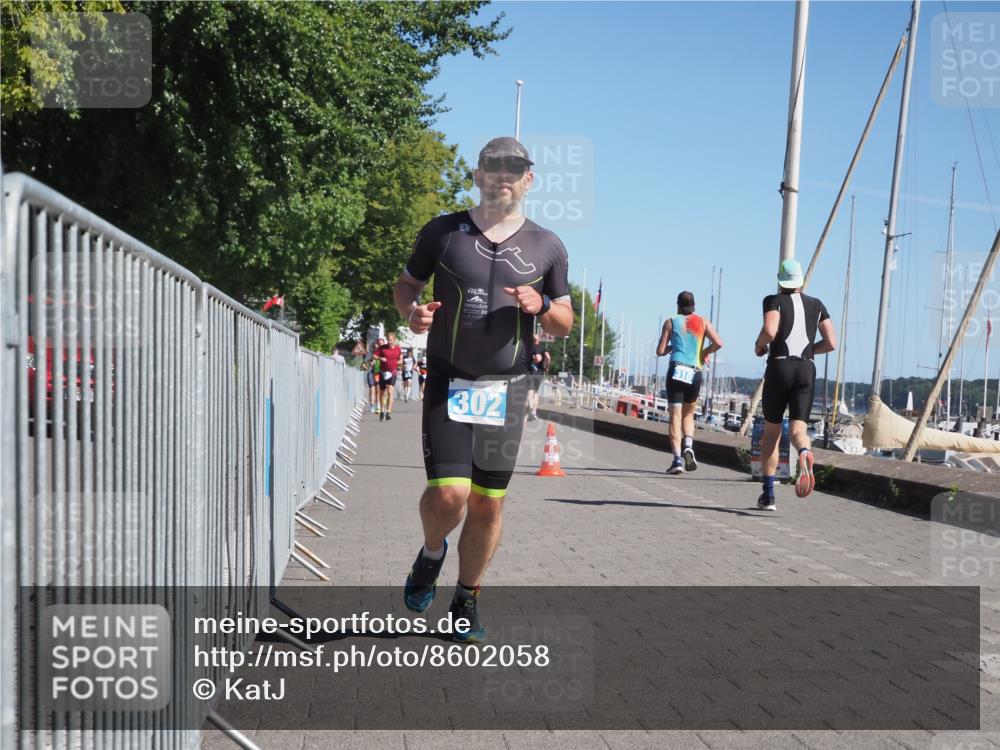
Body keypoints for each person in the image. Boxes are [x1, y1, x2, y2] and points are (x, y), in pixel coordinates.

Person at [393, 136, 573, 643]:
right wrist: (412, 313)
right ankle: (431, 555)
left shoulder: (547, 245)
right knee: (449, 496)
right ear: (477, 175)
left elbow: (564, 321)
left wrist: (542, 306)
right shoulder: (443, 232)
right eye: (493, 168)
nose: (503, 177)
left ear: (529, 180)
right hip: (450, 378)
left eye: (514, 170)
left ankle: (466, 600)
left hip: (508, 388)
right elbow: (407, 285)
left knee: (488, 503)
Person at [753, 259, 836, 510]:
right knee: (799, 431)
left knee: (772, 432)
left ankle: (768, 495)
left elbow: (770, 330)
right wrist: (810, 350)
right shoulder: (817, 305)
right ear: (801, 281)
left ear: (781, 281)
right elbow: (831, 342)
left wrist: (759, 346)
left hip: (779, 366)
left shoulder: (774, 300)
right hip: (806, 368)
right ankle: (803, 453)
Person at [656, 291, 723, 475]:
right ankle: (688, 445)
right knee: (689, 414)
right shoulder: (703, 322)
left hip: (677, 369)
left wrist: (671, 347)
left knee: (675, 416)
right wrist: (704, 352)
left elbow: (660, 350)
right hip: (695, 372)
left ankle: (677, 459)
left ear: (678, 305)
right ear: (694, 306)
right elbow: (718, 342)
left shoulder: (670, 322)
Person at [375, 332, 402, 421]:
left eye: (391, 340)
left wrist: (399, 362)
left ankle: (388, 412)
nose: (389, 341)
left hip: (393, 373)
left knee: (390, 391)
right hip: (383, 372)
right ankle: (382, 410)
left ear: (394, 340)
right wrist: (380, 358)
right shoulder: (382, 348)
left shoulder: (398, 349)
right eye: (388, 340)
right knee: (382, 393)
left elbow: (400, 359)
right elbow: (374, 355)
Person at [526, 333, 544, 421]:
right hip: (539, 373)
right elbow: (547, 357)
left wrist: (533, 359)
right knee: (536, 393)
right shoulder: (543, 348)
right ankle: (534, 411)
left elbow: (538, 358)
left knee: (530, 393)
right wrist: (547, 366)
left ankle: (530, 410)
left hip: (531, 372)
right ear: (539, 339)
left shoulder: (530, 347)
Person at [365, 341, 380, 414]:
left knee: (378, 390)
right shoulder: (370, 354)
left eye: (377, 347)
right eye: (374, 347)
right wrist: (368, 366)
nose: (376, 349)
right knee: (372, 389)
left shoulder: (381, 354)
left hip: (378, 373)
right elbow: (363, 364)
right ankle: (372, 405)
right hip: (371, 372)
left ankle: (378, 405)